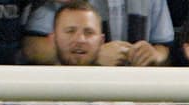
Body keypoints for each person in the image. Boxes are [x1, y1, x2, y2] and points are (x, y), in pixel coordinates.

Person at [24, 0, 172, 66]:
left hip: (135, 93)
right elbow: (33, 47)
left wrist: (154, 54)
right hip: (77, 88)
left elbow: (164, 46)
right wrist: (92, 54)